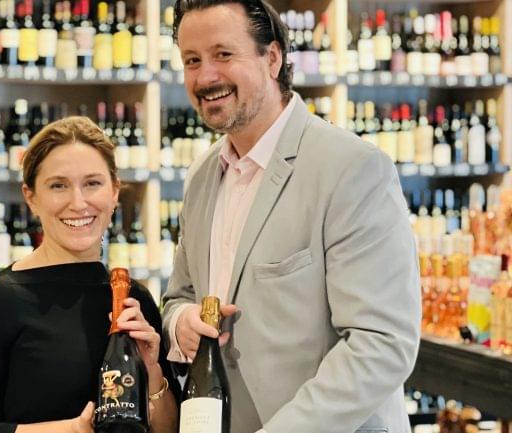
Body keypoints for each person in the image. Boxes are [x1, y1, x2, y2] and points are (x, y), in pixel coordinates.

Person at [161, 1, 421, 432]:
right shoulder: (202, 178)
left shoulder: (350, 169)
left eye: (223, 54)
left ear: (273, 58)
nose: (206, 76)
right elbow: (178, 297)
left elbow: (381, 345)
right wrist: (181, 323)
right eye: (192, 60)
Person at [0, 116, 179, 433]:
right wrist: (73, 430)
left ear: (114, 192)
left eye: (92, 183)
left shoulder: (133, 300)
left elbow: (168, 430)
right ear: (31, 197)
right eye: (58, 185)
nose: (78, 203)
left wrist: (153, 371)